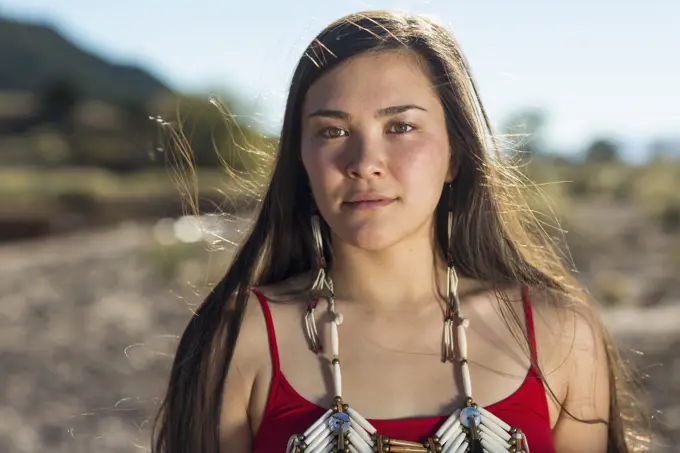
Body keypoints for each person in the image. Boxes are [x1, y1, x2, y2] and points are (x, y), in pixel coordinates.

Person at [152, 10, 648, 453]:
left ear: (455, 154)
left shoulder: (560, 336)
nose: (365, 163)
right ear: (301, 161)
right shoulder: (237, 339)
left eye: (401, 127)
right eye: (332, 131)